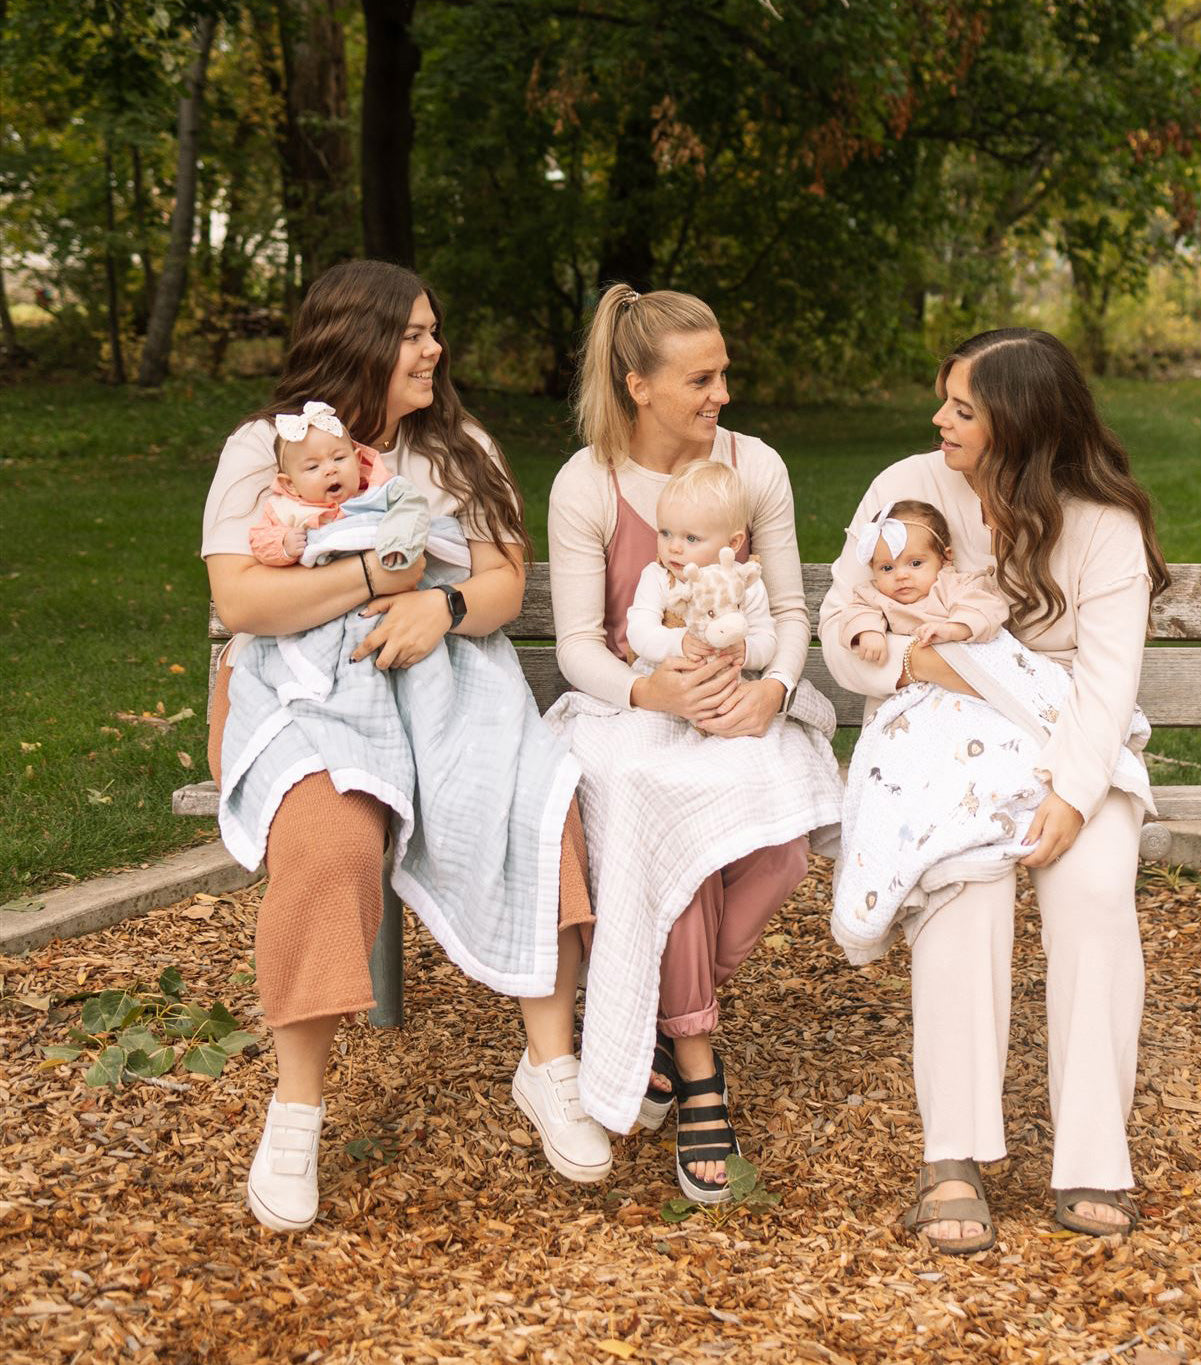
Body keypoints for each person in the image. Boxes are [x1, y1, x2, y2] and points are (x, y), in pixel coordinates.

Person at [202, 260, 609, 1233]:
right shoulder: (267, 448)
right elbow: (243, 600)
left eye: (435, 331)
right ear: (359, 341)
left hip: (447, 679)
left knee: (534, 794)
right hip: (302, 695)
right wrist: (381, 584)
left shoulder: (457, 448)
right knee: (330, 847)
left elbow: (506, 583)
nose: (434, 350)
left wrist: (444, 603)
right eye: (416, 334)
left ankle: (549, 1065)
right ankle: (296, 1111)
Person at [819, 328, 1169, 1253]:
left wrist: (1071, 794)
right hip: (942, 737)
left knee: (1091, 888)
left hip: (1068, 742)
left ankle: (1094, 1152)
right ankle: (954, 1154)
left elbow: (1107, 681)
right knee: (965, 883)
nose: (938, 418)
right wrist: (924, 660)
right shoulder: (907, 488)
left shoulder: (1102, 522)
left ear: (1018, 423)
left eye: (962, 407)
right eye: (943, 399)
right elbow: (839, 628)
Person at [545, 284, 842, 1204]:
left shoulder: (754, 467)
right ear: (638, 384)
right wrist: (649, 688)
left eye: (723, 373)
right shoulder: (586, 482)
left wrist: (773, 692)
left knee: (782, 849)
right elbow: (576, 648)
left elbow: (789, 612)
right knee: (660, 813)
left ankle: (640, 1011)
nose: (722, 393)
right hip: (630, 714)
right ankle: (700, 1068)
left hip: (743, 703)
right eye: (700, 378)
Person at [625, 458, 777, 671]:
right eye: (665, 533)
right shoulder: (657, 578)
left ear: (733, 543)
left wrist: (746, 650)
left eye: (691, 538)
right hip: (664, 681)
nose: (674, 547)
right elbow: (639, 631)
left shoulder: (743, 583)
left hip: (729, 685)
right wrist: (679, 642)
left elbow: (766, 638)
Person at [248, 401, 428, 569]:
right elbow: (259, 539)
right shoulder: (286, 509)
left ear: (358, 461)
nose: (330, 469)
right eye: (313, 467)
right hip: (336, 586)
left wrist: (397, 542)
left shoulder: (377, 492)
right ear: (290, 484)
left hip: (390, 561)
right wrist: (283, 543)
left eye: (339, 458)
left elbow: (411, 508)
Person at [830, 498, 1008, 663]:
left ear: (945, 558)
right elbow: (856, 612)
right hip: (918, 679)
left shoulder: (953, 585)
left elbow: (985, 608)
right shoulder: (874, 596)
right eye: (887, 568)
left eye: (915, 563)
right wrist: (868, 631)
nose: (901, 576)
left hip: (972, 666)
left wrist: (952, 629)